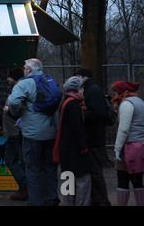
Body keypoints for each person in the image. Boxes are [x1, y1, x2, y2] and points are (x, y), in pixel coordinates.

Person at [7, 58, 59, 206]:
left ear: (29, 70)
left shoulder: (25, 84)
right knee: (50, 168)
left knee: (32, 170)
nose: (23, 70)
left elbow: (12, 102)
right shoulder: (50, 81)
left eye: (24, 68)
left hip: (32, 134)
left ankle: (36, 202)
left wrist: (17, 112)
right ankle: (51, 199)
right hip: (51, 133)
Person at [74, 67, 111, 206]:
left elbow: (96, 113)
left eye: (77, 76)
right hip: (92, 136)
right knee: (92, 169)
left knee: (95, 170)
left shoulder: (92, 90)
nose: (76, 79)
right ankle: (97, 198)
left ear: (84, 77)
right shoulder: (91, 90)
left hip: (93, 137)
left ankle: (101, 200)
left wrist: (80, 115)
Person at [54, 76, 92, 206]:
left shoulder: (65, 102)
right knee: (83, 179)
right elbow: (77, 127)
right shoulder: (74, 104)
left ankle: (68, 203)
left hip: (65, 148)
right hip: (75, 148)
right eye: (82, 87)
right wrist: (83, 147)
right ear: (78, 89)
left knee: (68, 178)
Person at [0, 67, 27, 201]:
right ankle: (24, 187)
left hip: (17, 132)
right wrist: (0, 123)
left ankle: (25, 187)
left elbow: (21, 111)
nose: (7, 79)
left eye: (9, 76)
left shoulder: (19, 90)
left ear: (14, 77)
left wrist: (9, 111)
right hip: (12, 132)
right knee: (12, 159)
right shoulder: (14, 89)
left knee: (14, 159)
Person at [111, 80, 144, 206]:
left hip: (129, 147)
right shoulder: (139, 102)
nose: (114, 94)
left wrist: (117, 148)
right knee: (138, 179)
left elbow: (124, 129)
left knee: (123, 179)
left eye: (115, 91)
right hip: (140, 146)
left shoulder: (127, 104)